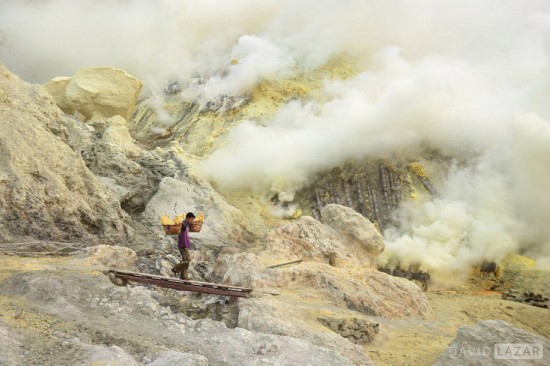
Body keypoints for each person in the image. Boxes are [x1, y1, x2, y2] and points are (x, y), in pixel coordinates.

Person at [171, 212, 195, 279]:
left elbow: (186, 236)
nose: (192, 221)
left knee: (185, 260)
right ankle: (175, 269)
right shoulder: (183, 225)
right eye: (191, 219)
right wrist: (185, 246)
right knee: (187, 260)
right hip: (183, 245)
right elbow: (182, 236)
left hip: (183, 245)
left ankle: (184, 276)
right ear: (188, 218)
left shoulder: (185, 224)